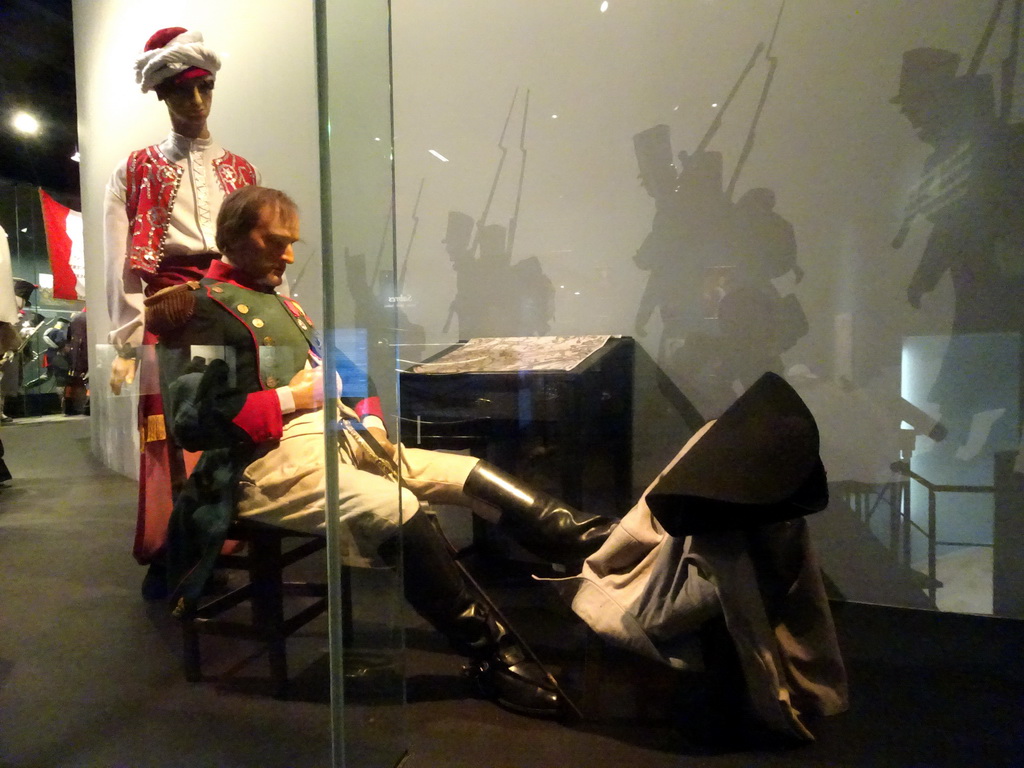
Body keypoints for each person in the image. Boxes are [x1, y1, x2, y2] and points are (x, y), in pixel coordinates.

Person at [151, 186, 617, 717]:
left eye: (292, 243)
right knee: (400, 511)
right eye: (276, 241)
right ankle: (492, 655)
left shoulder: (285, 303)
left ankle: (605, 545)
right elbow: (191, 423)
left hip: (342, 438)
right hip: (264, 463)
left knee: (470, 474)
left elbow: (346, 371)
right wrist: (289, 398)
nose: (289, 255)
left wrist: (370, 416)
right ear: (234, 237)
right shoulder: (201, 312)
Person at [103, 27, 260, 568]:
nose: (194, 102)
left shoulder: (242, 171)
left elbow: (255, 254)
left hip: (228, 308)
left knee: (229, 417)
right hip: (166, 308)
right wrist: (125, 341)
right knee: (171, 428)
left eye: (203, 88)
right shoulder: (134, 168)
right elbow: (120, 260)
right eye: (179, 91)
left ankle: (229, 533)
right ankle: (179, 540)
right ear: (161, 95)